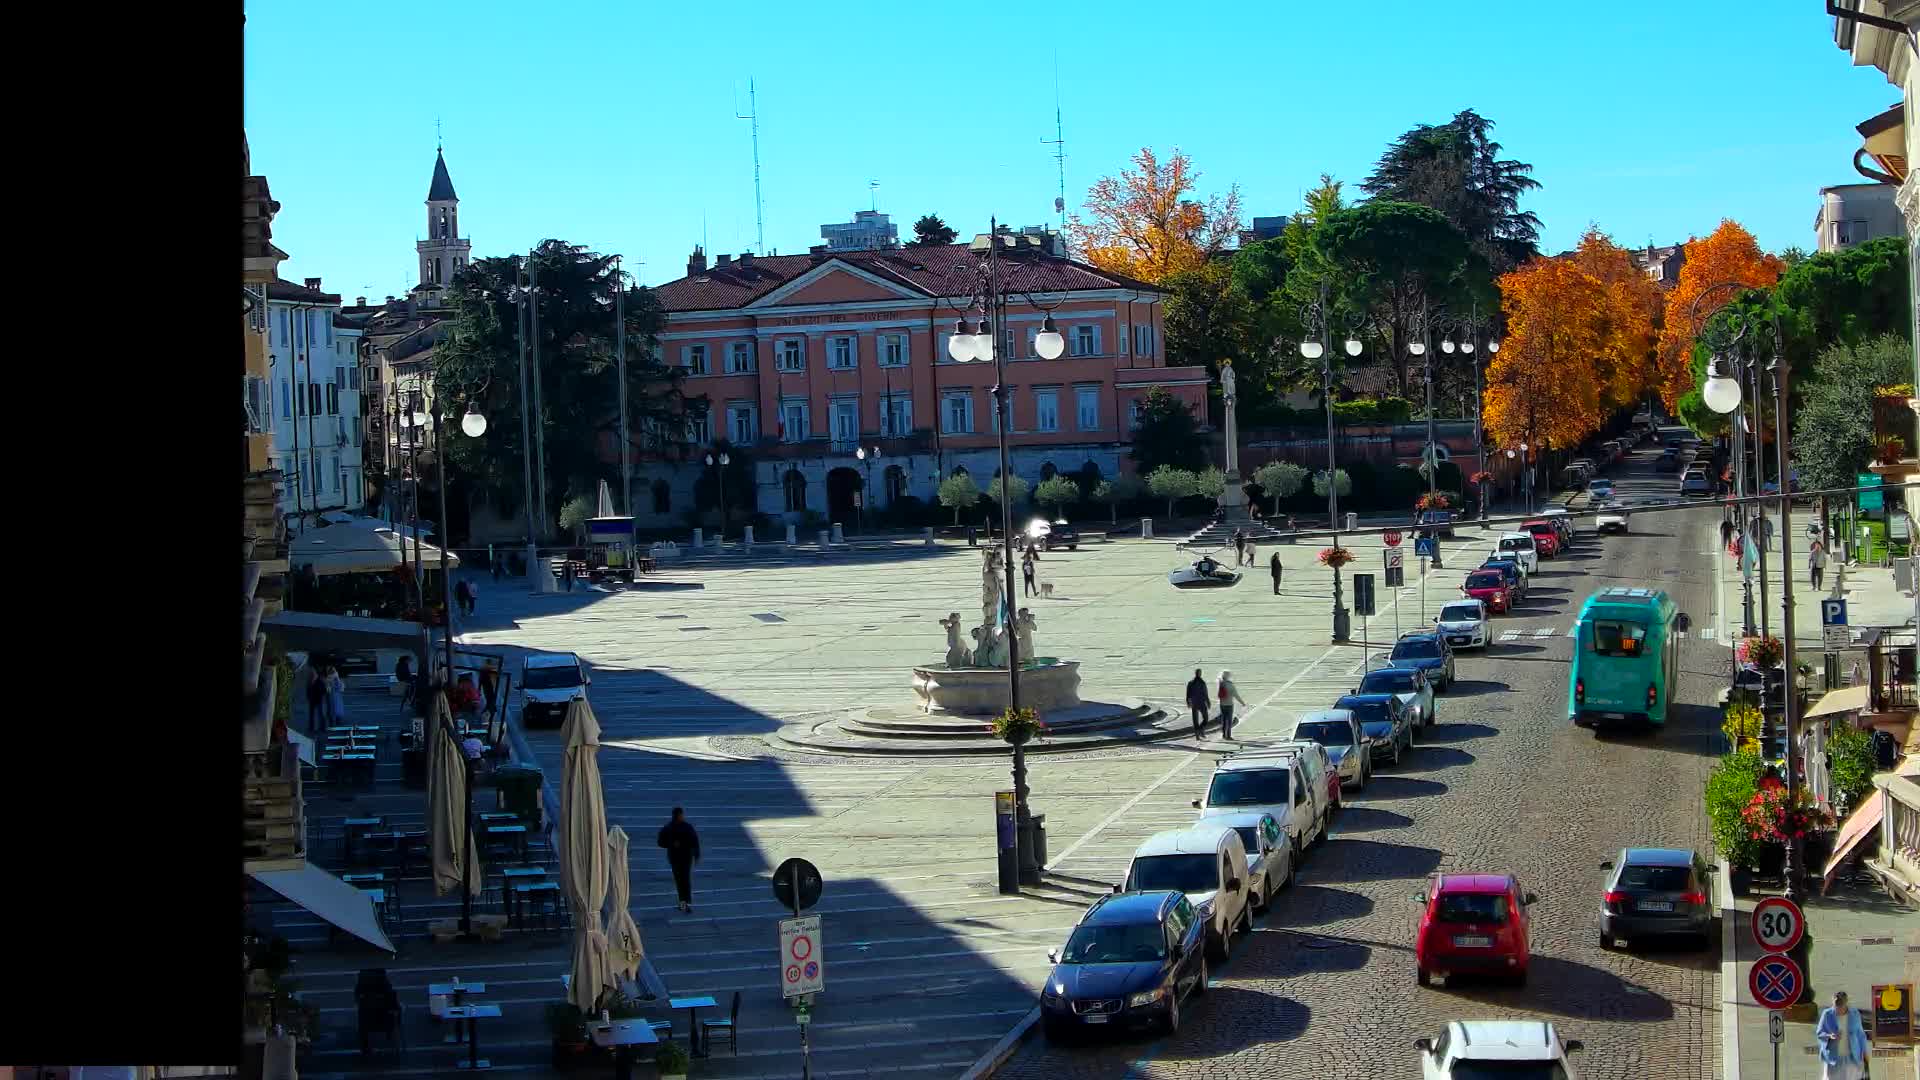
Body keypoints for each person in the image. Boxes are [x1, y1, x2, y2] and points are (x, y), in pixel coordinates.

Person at [1816, 990, 1869, 1079]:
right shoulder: (1827, 1014)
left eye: (1841, 1007)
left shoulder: (1854, 1013)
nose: (1839, 1009)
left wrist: (1864, 1052)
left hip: (1852, 1058)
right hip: (1833, 1059)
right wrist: (1830, 1036)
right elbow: (1819, 1033)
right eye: (1836, 1007)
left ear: (1846, 1004)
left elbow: (1861, 1035)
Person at [657, 807, 701, 914]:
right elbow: (660, 842)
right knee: (681, 880)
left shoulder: (677, 827)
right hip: (678, 858)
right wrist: (671, 844)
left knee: (683, 880)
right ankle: (684, 902)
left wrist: (696, 855)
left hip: (683, 858)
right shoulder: (671, 828)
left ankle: (685, 902)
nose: (680, 817)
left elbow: (695, 842)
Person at [1216, 670, 1247, 740]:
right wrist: (1242, 703)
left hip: (1222, 704)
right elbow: (1236, 695)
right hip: (1229, 704)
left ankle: (1224, 735)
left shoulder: (1220, 683)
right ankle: (1228, 735)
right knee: (1229, 721)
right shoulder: (1230, 685)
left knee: (1223, 720)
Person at [1184, 669, 1210, 739]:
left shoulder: (1191, 682)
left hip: (1194, 703)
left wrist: (1188, 702)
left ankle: (1197, 735)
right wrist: (1208, 702)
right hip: (1201, 703)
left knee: (1195, 720)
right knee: (1206, 719)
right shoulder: (1202, 683)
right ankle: (1200, 730)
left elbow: (1187, 694)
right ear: (1199, 674)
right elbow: (1205, 693)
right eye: (1200, 673)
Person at [306, 662, 330, 734]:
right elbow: (308, 690)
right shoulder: (311, 682)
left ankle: (322, 727)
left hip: (319, 700)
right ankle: (312, 728)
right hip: (313, 700)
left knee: (321, 714)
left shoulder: (320, 682)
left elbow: (324, 691)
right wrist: (309, 696)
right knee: (312, 715)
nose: (312, 677)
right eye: (311, 675)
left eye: (313, 675)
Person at [327, 664, 348, 729]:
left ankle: (334, 722)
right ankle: (336, 721)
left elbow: (341, 688)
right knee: (335, 710)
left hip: (334, 697)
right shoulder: (332, 679)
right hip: (335, 697)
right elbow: (341, 688)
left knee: (333, 710)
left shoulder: (332, 679)